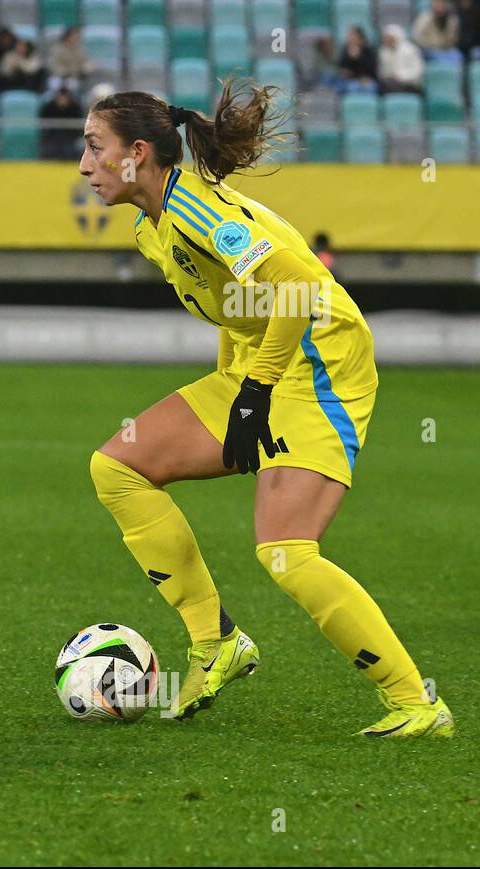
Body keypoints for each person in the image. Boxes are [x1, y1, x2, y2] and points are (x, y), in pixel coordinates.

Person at [77, 82, 454, 738]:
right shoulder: (152, 228)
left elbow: (298, 289)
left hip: (321, 363)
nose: (83, 165)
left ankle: (416, 703)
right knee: (118, 468)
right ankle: (215, 643)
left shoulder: (192, 210)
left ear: (136, 153)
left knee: (285, 550)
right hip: (262, 366)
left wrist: (255, 395)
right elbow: (241, 301)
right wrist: (241, 384)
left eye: (93, 147)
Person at [37, 84, 83, 159]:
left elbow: (78, 126)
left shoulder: (75, 107)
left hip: (70, 138)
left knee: (71, 150)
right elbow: (43, 124)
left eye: (64, 98)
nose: (62, 100)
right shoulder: (48, 107)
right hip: (51, 137)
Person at [378, 24, 425, 94]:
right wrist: (389, 76)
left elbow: (417, 71)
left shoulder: (410, 49)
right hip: (391, 83)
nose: (387, 40)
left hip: (410, 83)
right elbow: (382, 71)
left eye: (389, 38)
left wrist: (399, 76)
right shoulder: (383, 51)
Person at [48, 26, 94, 91]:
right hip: (58, 76)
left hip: (75, 77)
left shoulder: (80, 49)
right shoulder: (57, 48)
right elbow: (53, 64)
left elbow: (86, 61)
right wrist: (65, 73)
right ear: (67, 36)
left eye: (77, 36)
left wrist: (87, 67)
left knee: (72, 85)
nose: (76, 38)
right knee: (55, 84)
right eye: (74, 36)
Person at [336, 26, 379, 92]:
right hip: (350, 80)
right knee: (343, 86)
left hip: (367, 80)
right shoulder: (345, 49)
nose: (350, 38)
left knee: (369, 87)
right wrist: (350, 59)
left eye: (353, 36)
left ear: (360, 38)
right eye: (349, 36)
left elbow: (372, 69)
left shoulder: (368, 50)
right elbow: (342, 68)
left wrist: (359, 57)